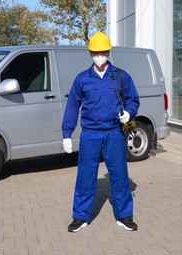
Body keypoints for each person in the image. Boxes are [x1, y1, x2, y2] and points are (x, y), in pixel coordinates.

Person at [62, 32, 140, 232]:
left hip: (115, 132)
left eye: (103, 52)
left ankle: (124, 216)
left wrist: (129, 113)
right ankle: (80, 217)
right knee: (85, 176)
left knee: (120, 175)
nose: (100, 56)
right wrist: (66, 133)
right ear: (90, 53)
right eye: (96, 52)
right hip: (90, 134)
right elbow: (72, 106)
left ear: (108, 52)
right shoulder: (82, 79)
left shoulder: (121, 76)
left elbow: (133, 100)